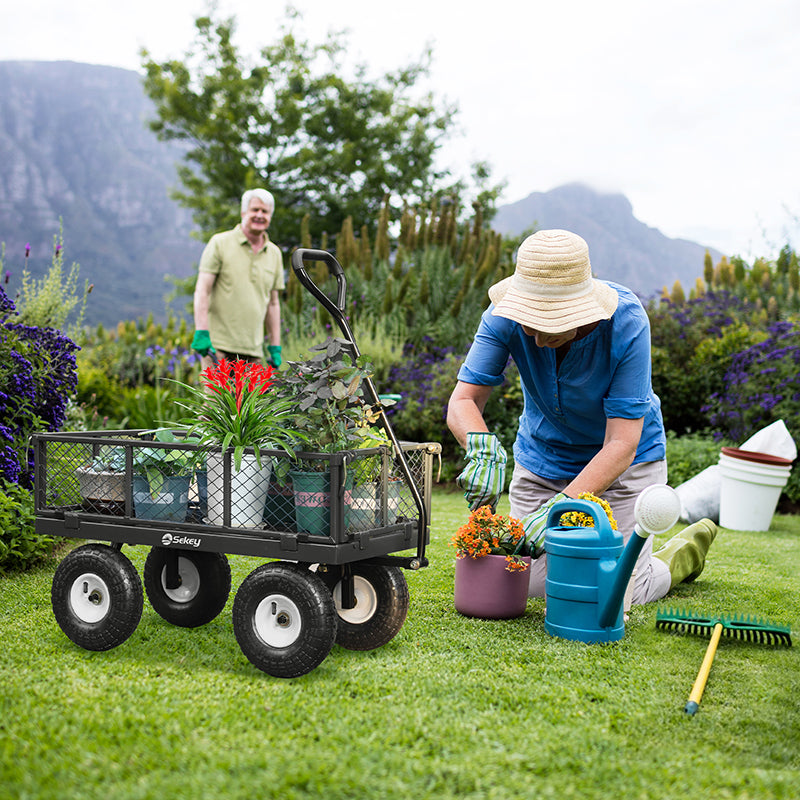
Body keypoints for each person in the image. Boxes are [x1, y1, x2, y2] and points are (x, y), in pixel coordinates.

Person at [447, 229, 716, 607]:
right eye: (529, 324)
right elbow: (463, 399)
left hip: (623, 466)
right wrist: (480, 446)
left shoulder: (627, 321)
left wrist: (563, 506)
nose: (537, 340)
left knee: (615, 593)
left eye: (550, 325)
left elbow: (622, 444)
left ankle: (679, 555)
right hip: (545, 461)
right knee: (526, 581)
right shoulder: (501, 315)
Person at [191, 188, 284, 370]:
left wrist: (275, 346)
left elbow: (273, 304)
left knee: (252, 400)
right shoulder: (219, 243)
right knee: (217, 400)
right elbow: (203, 290)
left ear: (270, 216)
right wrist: (201, 332)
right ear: (243, 212)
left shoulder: (274, 254)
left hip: (253, 351)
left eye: (264, 211)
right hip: (217, 349)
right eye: (254, 210)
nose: (259, 215)